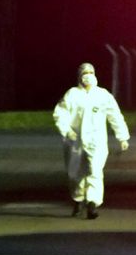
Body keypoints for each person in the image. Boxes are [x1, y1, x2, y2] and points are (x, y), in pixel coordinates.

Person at [53, 62, 130, 219]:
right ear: (79, 76)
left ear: (95, 74)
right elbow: (60, 114)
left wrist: (122, 136)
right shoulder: (72, 94)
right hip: (75, 142)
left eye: (90, 72)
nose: (87, 75)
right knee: (76, 174)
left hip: (97, 142)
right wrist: (67, 131)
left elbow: (115, 116)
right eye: (84, 72)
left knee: (95, 171)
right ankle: (78, 200)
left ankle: (92, 205)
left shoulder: (103, 95)